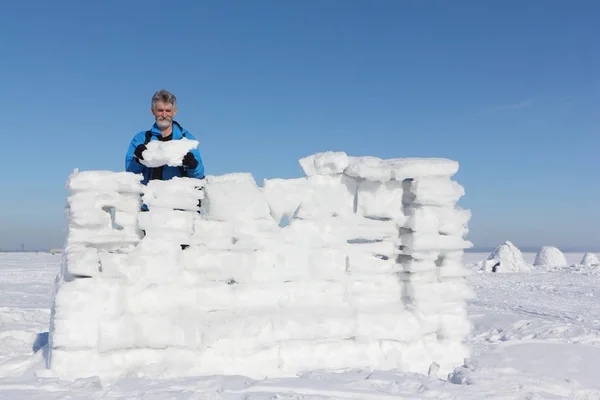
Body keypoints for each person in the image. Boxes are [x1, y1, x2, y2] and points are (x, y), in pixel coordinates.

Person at [125, 90, 205, 184]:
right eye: (160, 110)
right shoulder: (141, 139)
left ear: (174, 112)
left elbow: (199, 175)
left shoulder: (186, 139)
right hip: (149, 196)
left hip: (178, 196)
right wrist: (137, 160)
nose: (164, 115)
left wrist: (192, 165)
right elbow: (129, 174)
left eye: (168, 111)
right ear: (152, 111)